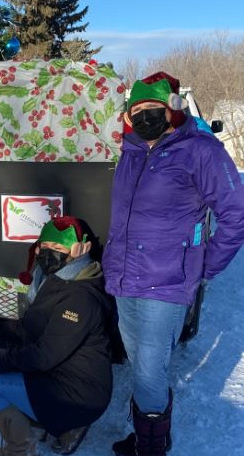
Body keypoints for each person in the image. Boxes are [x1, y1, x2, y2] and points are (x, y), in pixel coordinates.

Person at [103, 73, 244, 456]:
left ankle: (151, 449)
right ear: (129, 116)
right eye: (138, 111)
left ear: (172, 111)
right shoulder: (130, 151)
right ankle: (149, 436)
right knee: (141, 368)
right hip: (124, 280)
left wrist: (202, 267)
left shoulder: (200, 150)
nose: (146, 116)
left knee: (149, 375)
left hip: (164, 286)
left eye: (154, 109)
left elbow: (236, 214)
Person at [0, 216, 115, 456]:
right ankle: (53, 424)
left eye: (58, 248)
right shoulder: (55, 280)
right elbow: (32, 328)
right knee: (15, 370)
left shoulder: (79, 298)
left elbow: (44, 355)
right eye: (46, 247)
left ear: (79, 249)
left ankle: (21, 450)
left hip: (81, 395)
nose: (49, 253)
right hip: (62, 377)